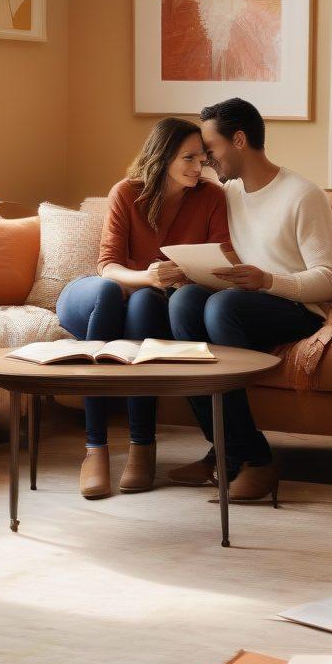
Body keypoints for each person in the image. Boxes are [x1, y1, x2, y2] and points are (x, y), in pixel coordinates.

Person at [167, 97, 332, 502]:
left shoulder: (302, 194)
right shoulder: (225, 194)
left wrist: (267, 280)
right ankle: (227, 453)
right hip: (239, 302)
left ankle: (256, 460)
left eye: (211, 150)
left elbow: (329, 280)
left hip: (299, 310)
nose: (207, 160)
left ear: (240, 140)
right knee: (183, 302)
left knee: (222, 307)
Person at [56, 117, 231, 500]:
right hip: (94, 299)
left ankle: (141, 446)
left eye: (202, 159)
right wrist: (148, 276)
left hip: (146, 301)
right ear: (164, 155)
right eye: (188, 158)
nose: (197, 167)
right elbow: (108, 265)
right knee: (111, 292)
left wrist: (182, 275)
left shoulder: (211, 197)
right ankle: (95, 449)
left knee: (145, 305)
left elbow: (222, 259)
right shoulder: (126, 193)